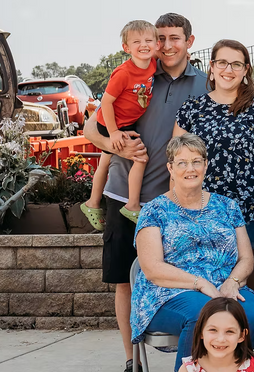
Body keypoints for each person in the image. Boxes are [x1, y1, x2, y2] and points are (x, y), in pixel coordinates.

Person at [83, 12, 208, 372]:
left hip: (178, 202)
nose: (167, 45)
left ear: (190, 40)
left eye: (175, 38)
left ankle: (191, 368)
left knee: (190, 281)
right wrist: (114, 144)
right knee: (126, 279)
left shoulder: (205, 83)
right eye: (161, 38)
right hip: (125, 197)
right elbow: (91, 127)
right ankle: (131, 364)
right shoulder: (138, 72)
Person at [130, 134, 254, 372]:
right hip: (168, 291)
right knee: (202, 317)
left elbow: (246, 258)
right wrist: (200, 283)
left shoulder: (227, 206)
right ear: (170, 168)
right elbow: (153, 267)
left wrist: (232, 282)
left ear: (206, 165)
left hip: (223, 288)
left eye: (196, 161)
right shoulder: (154, 210)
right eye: (182, 162)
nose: (190, 168)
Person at [173, 39, 254, 290]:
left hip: (249, 212)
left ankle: (246, 330)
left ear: (246, 70)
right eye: (222, 63)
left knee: (243, 287)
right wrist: (180, 213)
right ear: (211, 67)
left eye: (236, 64)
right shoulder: (192, 110)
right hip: (201, 213)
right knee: (204, 286)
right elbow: (176, 165)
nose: (228, 70)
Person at [81, 20, 158, 229]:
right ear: (126, 48)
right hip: (112, 124)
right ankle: (132, 205)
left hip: (123, 122)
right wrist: (113, 133)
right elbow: (106, 102)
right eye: (137, 41)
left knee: (105, 162)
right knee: (140, 157)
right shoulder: (124, 73)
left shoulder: (152, 63)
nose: (144, 45)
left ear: (157, 44)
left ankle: (92, 203)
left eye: (149, 40)